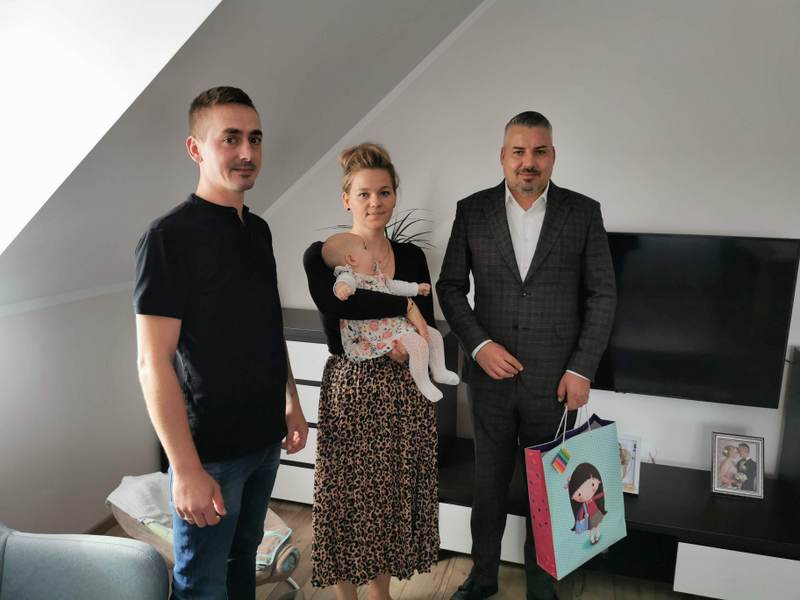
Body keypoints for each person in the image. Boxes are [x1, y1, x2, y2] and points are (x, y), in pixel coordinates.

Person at [134, 86, 308, 600]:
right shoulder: (168, 237)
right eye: (230, 138)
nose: (247, 152)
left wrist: (291, 401)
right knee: (202, 582)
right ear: (196, 148)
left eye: (255, 138)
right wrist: (185, 468)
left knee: (243, 561)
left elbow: (267, 328)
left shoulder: (258, 230)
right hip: (209, 451)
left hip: (263, 438)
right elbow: (152, 362)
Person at [437, 111, 616, 600]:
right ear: (503, 156)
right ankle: (483, 578)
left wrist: (581, 368)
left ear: (552, 156)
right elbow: (450, 287)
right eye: (518, 151)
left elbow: (602, 294)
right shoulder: (472, 211)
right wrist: (479, 345)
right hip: (489, 380)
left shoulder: (583, 213)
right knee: (488, 486)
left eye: (539, 151)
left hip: (556, 382)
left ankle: (543, 587)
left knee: (551, 489)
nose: (528, 162)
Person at [303, 143, 440, 600]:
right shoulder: (325, 255)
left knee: (387, 498)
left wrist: (410, 336)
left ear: (395, 195)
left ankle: (381, 594)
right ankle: (346, 596)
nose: (375, 202)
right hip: (353, 388)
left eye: (384, 192)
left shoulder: (412, 257)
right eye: (363, 194)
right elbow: (337, 308)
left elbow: (428, 319)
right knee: (344, 496)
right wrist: (402, 309)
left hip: (405, 390)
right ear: (347, 199)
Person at [321, 231, 459, 401]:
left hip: (396, 324)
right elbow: (342, 283)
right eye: (365, 248)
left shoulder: (377, 276)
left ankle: (440, 370)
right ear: (352, 259)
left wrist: (415, 288)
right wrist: (342, 288)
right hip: (379, 332)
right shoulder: (349, 275)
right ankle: (423, 383)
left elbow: (394, 286)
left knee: (435, 335)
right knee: (418, 344)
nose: (370, 251)